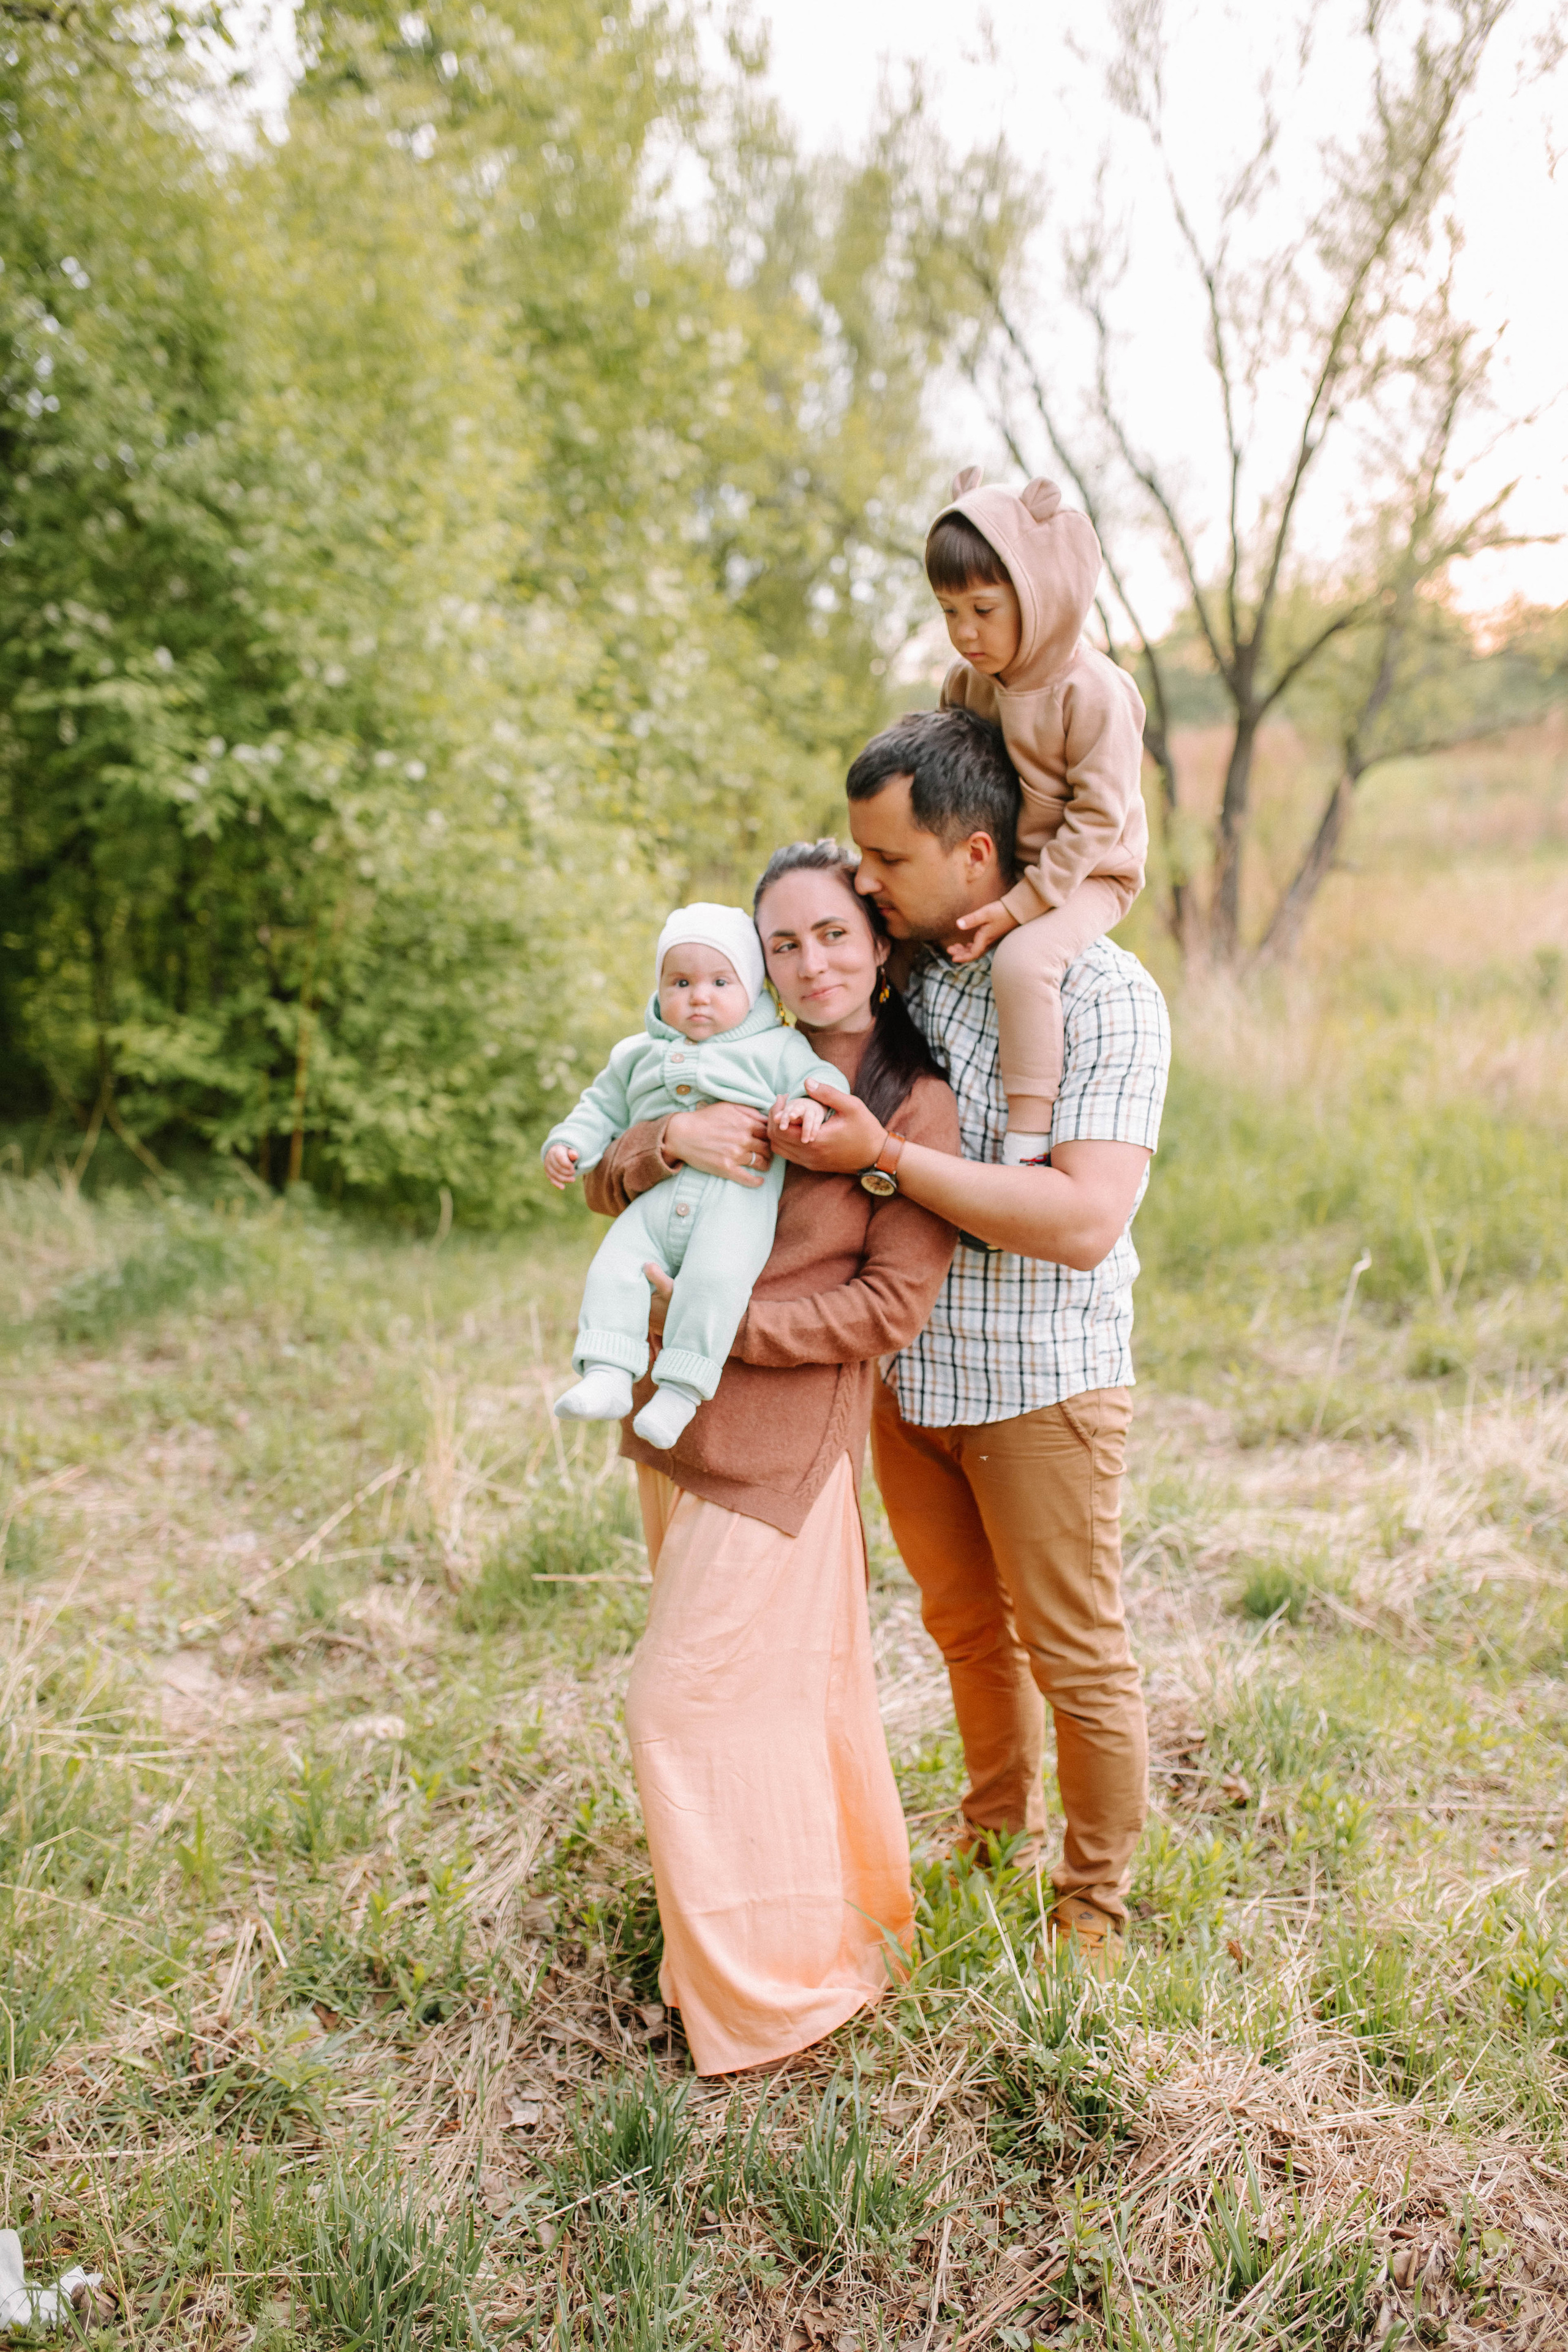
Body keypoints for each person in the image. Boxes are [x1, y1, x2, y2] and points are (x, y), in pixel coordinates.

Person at [768, 707, 1171, 1973]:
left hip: (1040, 1383)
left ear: (978, 856)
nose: (863, 883)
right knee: (958, 1624)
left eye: (883, 861)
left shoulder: (1105, 996)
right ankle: (996, 1827)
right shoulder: (911, 971)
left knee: (1073, 1647)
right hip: (909, 1375)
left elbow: (1081, 1219)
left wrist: (883, 1161)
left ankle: (1092, 1900)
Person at [580, 845, 960, 2075]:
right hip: (671, 1417)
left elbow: (883, 1308)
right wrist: (667, 1139)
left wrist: (719, 1329)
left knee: (678, 1705)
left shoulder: (909, 1103)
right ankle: (816, 1942)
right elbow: (599, 1183)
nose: (810, 964)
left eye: (834, 936)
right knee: (782, 1700)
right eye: (783, 943)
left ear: (879, 942)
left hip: (779, 1436)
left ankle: (765, 1998)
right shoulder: (717, 1046)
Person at [541, 902, 844, 1450]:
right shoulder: (636, 1054)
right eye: (680, 982)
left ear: (751, 989)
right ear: (659, 987)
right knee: (614, 1267)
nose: (698, 996)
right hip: (655, 1201)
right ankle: (608, 1374)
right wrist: (569, 1143)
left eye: (719, 981)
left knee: (715, 1283)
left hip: (737, 1202)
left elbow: (820, 1078)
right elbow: (599, 1107)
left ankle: (680, 1392)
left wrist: (810, 1108)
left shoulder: (776, 1046)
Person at [926, 469, 1148, 1166]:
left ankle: (1025, 1138)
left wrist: (1020, 909)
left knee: (1022, 963)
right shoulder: (967, 684)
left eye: (983, 610)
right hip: (1006, 861)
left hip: (1090, 872)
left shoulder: (1092, 693)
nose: (964, 633)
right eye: (948, 612)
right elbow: (944, 786)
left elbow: (1096, 819)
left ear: (1038, 594)